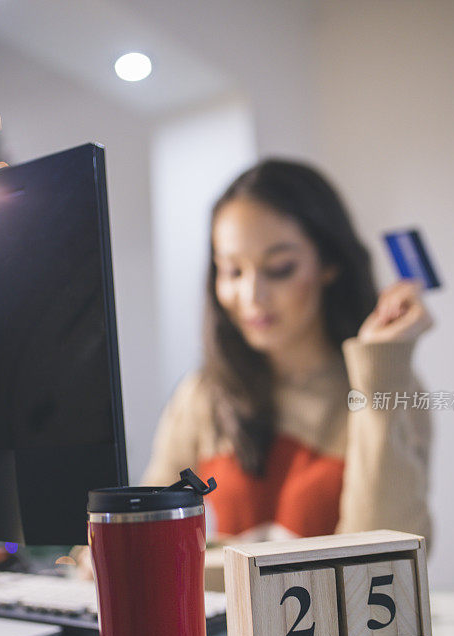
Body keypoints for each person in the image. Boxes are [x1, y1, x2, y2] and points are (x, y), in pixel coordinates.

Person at [142, 159, 433, 545]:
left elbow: (385, 561)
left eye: (279, 268)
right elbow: (148, 528)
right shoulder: (203, 394)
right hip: (230, 607)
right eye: (232, 271)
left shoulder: (389, 384)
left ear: (329, 263)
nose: (251, 297)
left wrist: (379, 375)